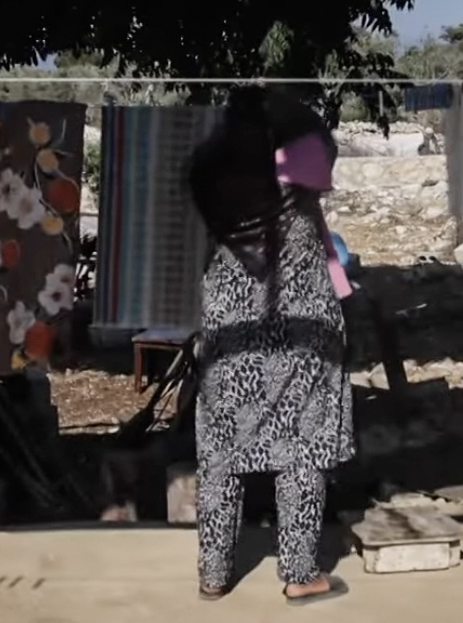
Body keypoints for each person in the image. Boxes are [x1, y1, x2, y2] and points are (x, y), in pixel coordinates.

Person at [188, 86, 355, 605]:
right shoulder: (296, 173)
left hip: (226, 333)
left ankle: (213, 575)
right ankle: (301, 573)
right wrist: (282, 112)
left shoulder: (212, 175)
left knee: (219, 453)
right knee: (301, 448)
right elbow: (320, 152)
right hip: (298, 333)